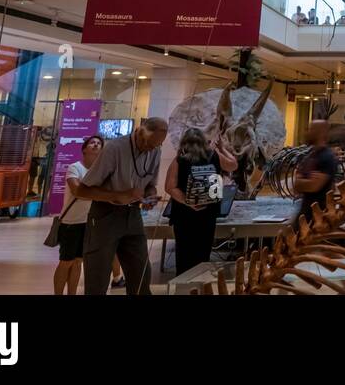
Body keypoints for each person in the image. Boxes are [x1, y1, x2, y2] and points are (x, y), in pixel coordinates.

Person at [75, 116, 168, 295]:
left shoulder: (155, 150)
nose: (152, 149)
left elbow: (150, 184)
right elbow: (82, 191)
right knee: (98, 278)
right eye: (150, 144)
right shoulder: (115, 148)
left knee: (141, 275)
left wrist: (149, 195)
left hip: (133, 215)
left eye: (157, 145)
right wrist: (118, 196)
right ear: (140, 133)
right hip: (105, 216)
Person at [164, 127, 238, 276]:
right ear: (204, 142)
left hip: (184, 216)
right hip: (208, 214)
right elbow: (233, 164)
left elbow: (169, 187)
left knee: (184, 255)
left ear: (184, 142)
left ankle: (183, 288)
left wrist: (189, 202)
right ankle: (199, 287)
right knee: (203, 255)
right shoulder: (214, 155)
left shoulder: (180, 159)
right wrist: (222, 148)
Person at [53, 134, 103, 295]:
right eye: (92, 143)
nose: (95, 145)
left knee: (78, 262)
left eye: (98, 143)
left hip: (87, 223)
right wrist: (99, 194)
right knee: (66, 261)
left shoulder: (100, 172)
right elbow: (77, 191)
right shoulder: (75, 167)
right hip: (70, 223)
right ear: (84, 149)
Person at [293, 121, 338, 224]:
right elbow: (296, 186)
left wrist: (302, 181)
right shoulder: (310, 156)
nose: (307, 132)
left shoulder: (327, 157)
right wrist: (304, 182)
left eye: (311, 129)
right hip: (305, 214)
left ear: (320, 132)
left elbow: (313, 186)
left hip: (318, 218)